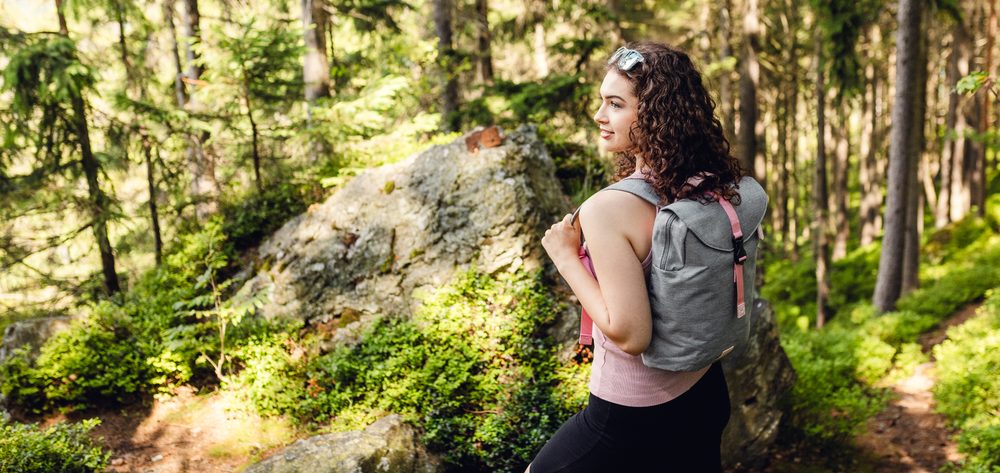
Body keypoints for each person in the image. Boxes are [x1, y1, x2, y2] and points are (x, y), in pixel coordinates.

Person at [530, 41, 743, 472]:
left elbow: (631, 335)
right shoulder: (705, 185)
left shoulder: (608, 208)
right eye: (602, 102)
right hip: (703, 393)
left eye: (615, 104)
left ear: (654, 115)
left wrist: (565, 257)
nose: (599, 115)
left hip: (630, 418)